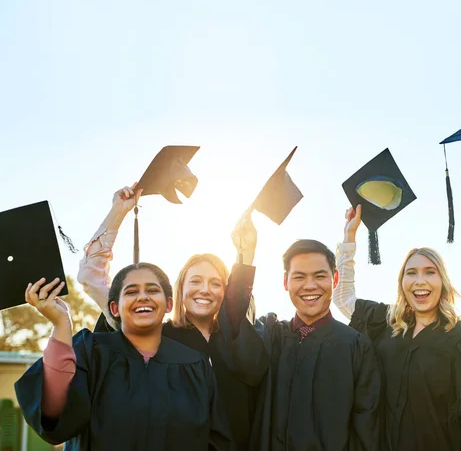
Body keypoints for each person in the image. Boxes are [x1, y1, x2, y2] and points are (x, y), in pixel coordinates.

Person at [78, 185, 268, 451]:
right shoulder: (153, 336)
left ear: (226, 292)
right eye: (196, 281)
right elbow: (91, 277)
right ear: (179, 290)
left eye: (216, 283)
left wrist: (246, 252)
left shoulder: (240, 342)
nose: (204, 289)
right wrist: (117, 213)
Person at [15, 266, 232, 451]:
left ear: (168, 305)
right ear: (114, 308)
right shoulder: (92, 351)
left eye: (152, 290)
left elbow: (216, 440)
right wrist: (61, 323)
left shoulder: (195, 364)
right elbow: (54, 414)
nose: (143, 296)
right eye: (131, 291)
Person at [333, 205, 461, 451]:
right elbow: (343, 298)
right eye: (411, 273)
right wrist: (349, 237)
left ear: (442, 282)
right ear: (402, 282)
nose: (420, 280)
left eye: (430, 272)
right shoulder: (386, 323)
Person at [249, 238, 381, 451]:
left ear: (335, 279)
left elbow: (366, 431)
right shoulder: (272, 337)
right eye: (299, 277)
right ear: (285, 282)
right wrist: (245, 257)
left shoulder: (356, 346)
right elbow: (236, 340)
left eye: (320, 276)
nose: (310, 286)